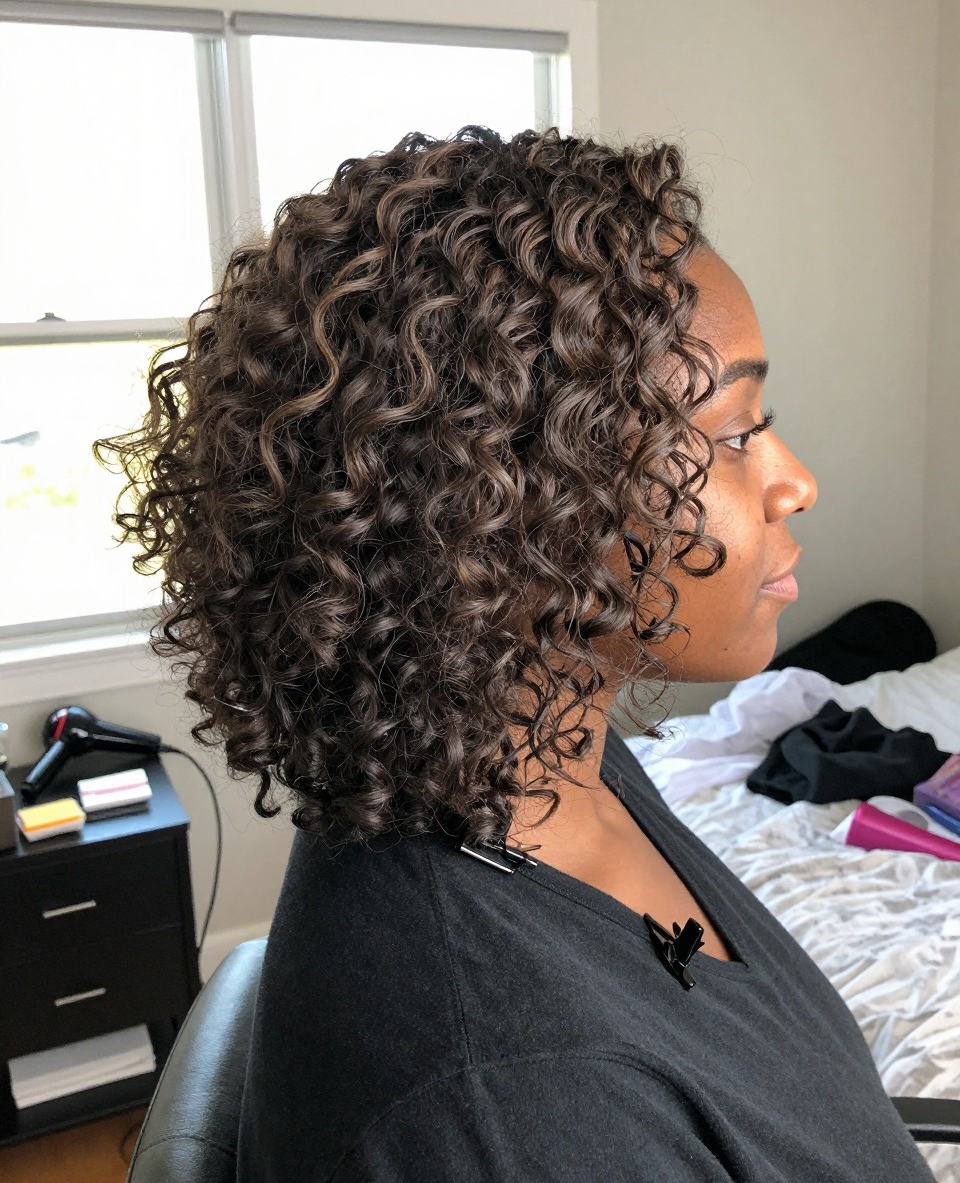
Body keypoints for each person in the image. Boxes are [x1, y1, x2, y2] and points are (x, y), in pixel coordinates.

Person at [95, 126, 937, 1181]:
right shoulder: (516, 1109)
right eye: (732, 432)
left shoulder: (533, 756)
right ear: (508, 505)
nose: (793, 479)